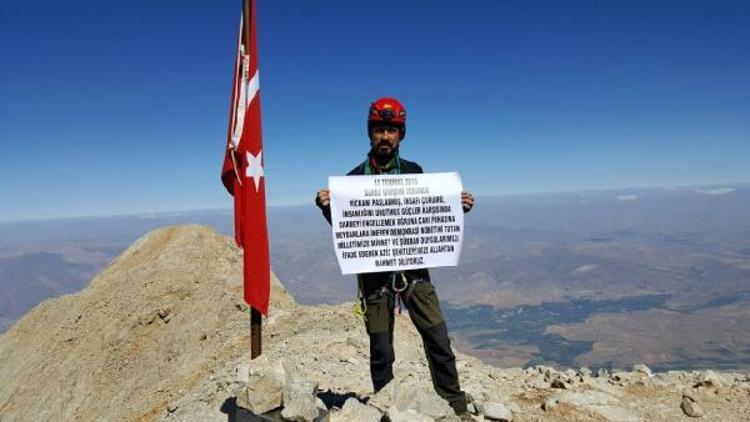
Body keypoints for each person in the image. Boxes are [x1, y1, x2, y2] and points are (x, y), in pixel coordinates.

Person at [315, 97, 475, 416]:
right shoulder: (352, 181)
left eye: (391, 130)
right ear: (370, 133)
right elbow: (349, 230)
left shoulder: (416, 174)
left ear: (401, 135)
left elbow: (427, 217)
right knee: (381, 350)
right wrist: (329, 207)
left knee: (438, 341)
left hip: (414, 273)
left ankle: (456, 407)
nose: (385, 136)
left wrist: (456, 208)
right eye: (379, 130)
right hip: (374, 279)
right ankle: (388, 407)